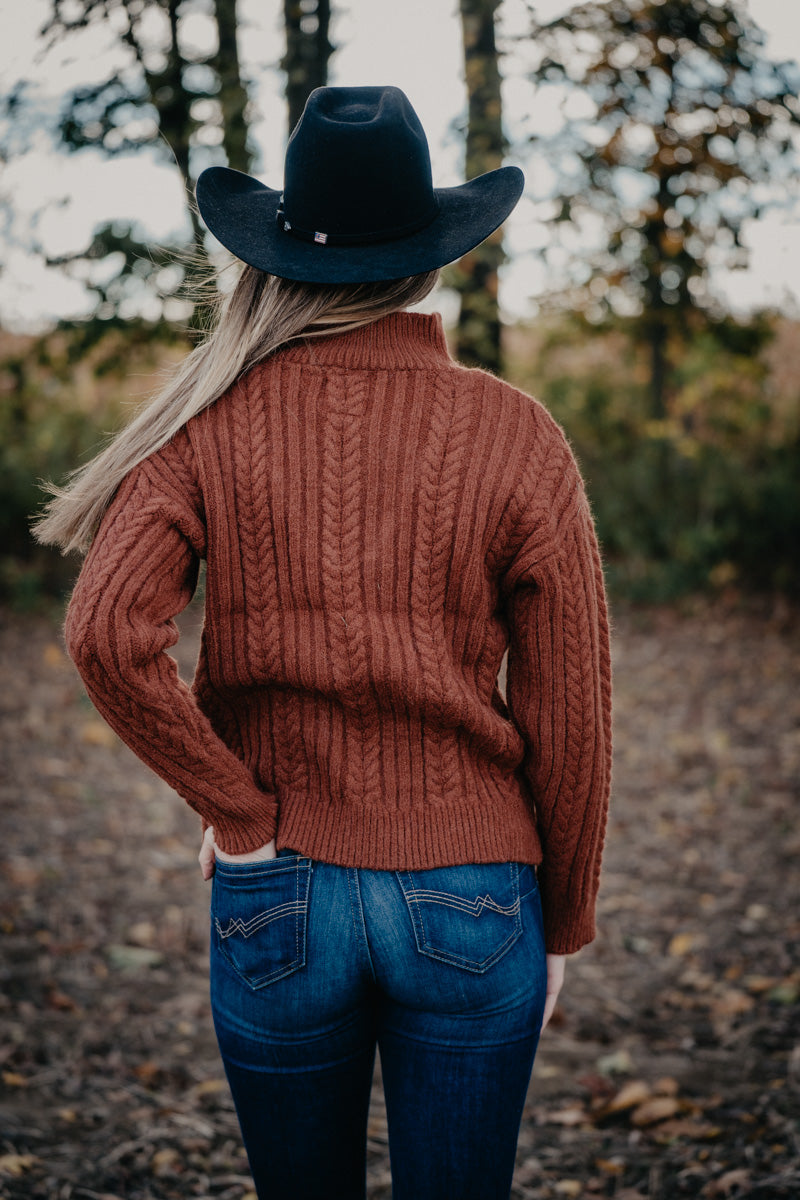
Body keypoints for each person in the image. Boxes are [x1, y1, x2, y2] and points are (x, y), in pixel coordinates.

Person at [35, 86, 611, 1200]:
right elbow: (569, 715)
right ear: (432, 257)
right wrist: (562, 922)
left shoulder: (205, 420)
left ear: (279, 255)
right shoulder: (516, 432)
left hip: (278, 890)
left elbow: (109, 633)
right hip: (475, 893)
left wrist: (237, 813)